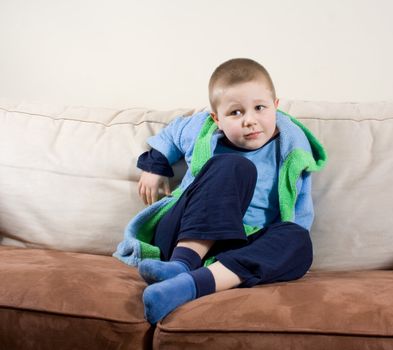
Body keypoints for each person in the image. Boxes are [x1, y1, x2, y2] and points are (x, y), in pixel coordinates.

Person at [113, 58, 327, 324]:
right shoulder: (202, 128)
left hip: (236, 251)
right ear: (217, 118)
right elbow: (172, 134)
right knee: (235, 166)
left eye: (260, 107)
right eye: (235, 113)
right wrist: (155, 165)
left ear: (276, 107)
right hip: (183, 234)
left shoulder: (292, 148)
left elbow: (299, 208)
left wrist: (281, 247)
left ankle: (187, 286)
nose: (250, 120)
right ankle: (181, 266)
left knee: (298, 239)